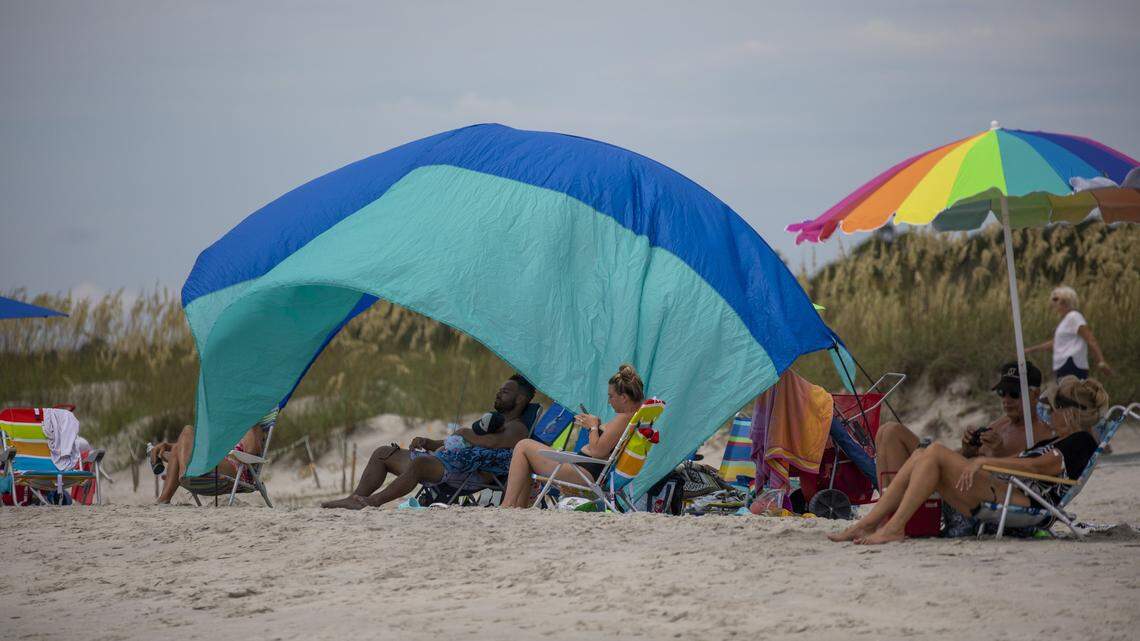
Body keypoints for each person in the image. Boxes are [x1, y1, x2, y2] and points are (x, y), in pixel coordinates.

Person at [828, 378, 1104, 545]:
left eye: (1053, 409)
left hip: (1025, 502)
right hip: (1010, 491)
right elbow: (1032, 464)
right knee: (923, 454)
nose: (1048, 414)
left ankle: (894, 527)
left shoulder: (1080, 441)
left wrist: (983, 464)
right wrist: (980, 457)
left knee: (934, 451)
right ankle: (872, 523)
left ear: (1069, 413)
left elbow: (1038, 467)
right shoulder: (1056, 440)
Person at [320, 375, 535, 510]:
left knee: (420, 464)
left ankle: (371, 503)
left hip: (469, 474)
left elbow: (488, 444)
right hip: (444, 462)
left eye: (505, 391)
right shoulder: (492, 422)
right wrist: (430, 442)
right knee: (383, 453)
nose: (498, 393)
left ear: (520, 400)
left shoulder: (517, 427)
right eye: (499, 389)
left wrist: (465, 432)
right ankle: (356, 498)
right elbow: (464, 442)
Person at [873, 361, 1051, 491]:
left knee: (896, 434)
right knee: (888, 431)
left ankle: (890, 513)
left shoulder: (1040, 432)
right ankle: (886, 511)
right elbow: (967, 457)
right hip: (955, 473)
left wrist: (999, 453)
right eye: (1002, 392)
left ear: (1034, 394)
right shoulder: (1002, 422)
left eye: (1014, 394)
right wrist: (968, 449)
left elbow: (1028, 472)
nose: (1006, 400)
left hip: (970, 490)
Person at [500, 364, 644, 508]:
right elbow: (604, 447)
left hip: (583, 474)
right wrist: (596, 426)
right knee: (527, 454)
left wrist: (593, 427)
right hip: (584, 470)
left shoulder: (623, 418)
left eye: (611, 396)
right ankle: (520, 506)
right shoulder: (631, 418)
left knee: (523, 446)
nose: (609, 401)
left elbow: (597, 451)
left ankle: (507, 504)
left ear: (624, 397)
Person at [149, 423, 266, 504]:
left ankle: (186, 472)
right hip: (213, 463)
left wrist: (250, 422)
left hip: (235, 469)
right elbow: (196, 446)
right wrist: (167, 446)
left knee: (188, 430)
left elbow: (251, 451)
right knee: (177, 447)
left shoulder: (253, 425)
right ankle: (163, 499)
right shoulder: (223, 425)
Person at [1026, 285, 1112, 380]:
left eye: (1056, 299)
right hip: (1063, 365)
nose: (1053, 303)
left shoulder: (1074, 317)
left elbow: (1090, 339)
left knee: (1070, 393)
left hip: (1071, 364)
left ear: (1065, 301)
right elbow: (1056, 343)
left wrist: (1101, 361)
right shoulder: (1066, 321)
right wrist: (1031, 350)